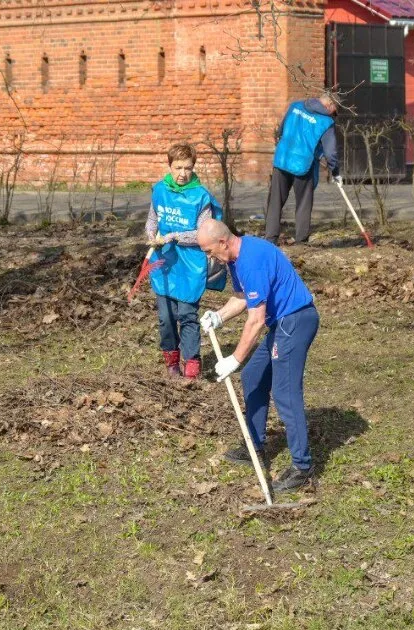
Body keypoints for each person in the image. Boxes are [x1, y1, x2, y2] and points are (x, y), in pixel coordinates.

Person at [197, 219, 320, 492]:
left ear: (222, 242)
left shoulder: (250, 260)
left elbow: (256, 320)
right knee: (254, 375)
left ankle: (303, 467)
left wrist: (235, 359)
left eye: (209, 251)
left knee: (285, 392)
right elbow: (243, 297)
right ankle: (255, 444)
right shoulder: (236, 258)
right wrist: (219, 316)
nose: (210, 257)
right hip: (283, 322)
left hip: (296, 320)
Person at [144, 143, 225, 379]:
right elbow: (153, 219)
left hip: (191, 265)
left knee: (188, 315)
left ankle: (191, 365)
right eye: (177, 167)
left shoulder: (201, 197)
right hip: (164, 264)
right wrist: (151, 235)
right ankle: (171, 361)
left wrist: (175, 236)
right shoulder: (159, 190)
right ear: (169, 166)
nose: (182, 174)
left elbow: (204, 233)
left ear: (193, 168)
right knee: (166, 317)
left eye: (187, 168)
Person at [264, 93, 341, 246]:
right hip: (303, 165)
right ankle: (301, 241)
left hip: (282, 159)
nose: (334, 115)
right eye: (335, 111)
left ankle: (270, 239)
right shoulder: (326, 122)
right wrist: (336, 171)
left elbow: (281, 130)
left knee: (275, 201)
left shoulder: (296, 106)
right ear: (330, 105)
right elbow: (331, 152)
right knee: (303, 204)